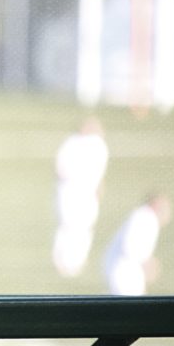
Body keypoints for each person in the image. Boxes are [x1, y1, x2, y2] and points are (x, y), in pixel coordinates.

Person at [51, 116, 109, 277]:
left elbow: (99, 171)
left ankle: (78, 260)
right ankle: (61, 260)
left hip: (87, 194)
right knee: (67, 225)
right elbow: (60, 169)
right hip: (70, 192)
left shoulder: (97, 145)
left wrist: (98, 186)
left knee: (85, 227)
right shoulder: (71, 143)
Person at [103, 193, 172, 296]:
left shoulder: (145, 217)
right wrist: (146, 262)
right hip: (124, 269)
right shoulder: (146, 218)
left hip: (124, 267)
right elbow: (129, 245)